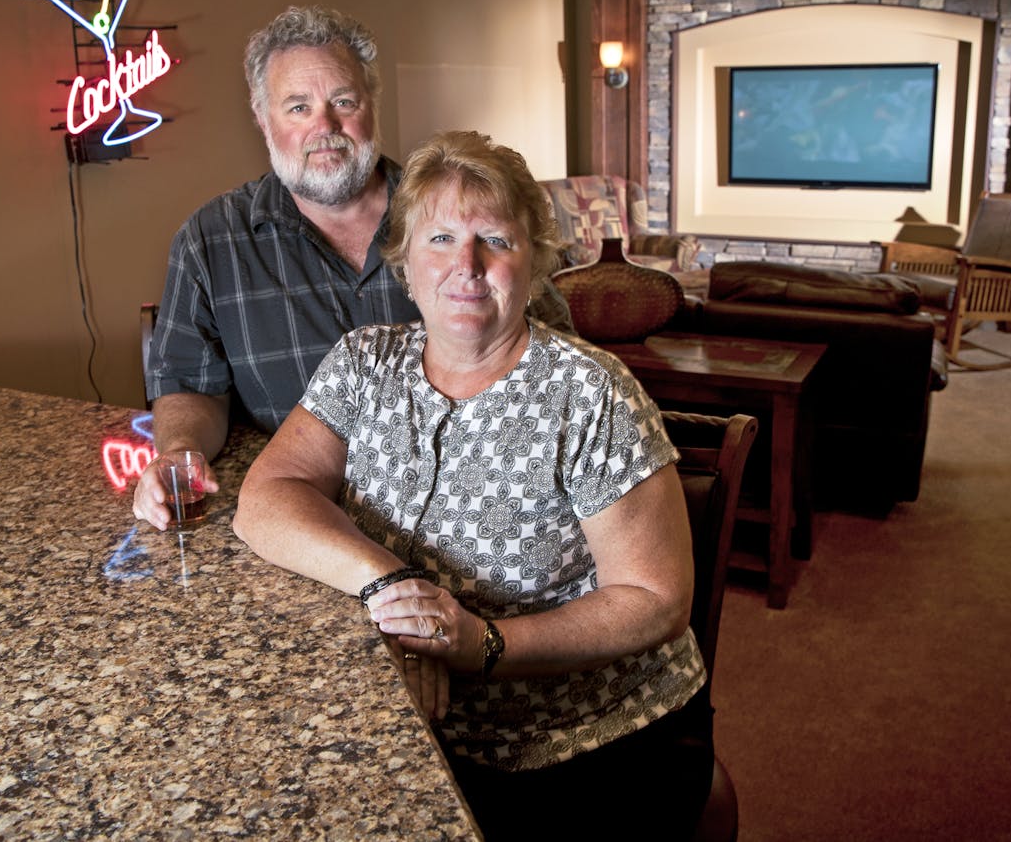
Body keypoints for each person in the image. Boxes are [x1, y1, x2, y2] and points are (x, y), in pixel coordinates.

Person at [233, 130, 713, 839]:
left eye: (496, 238)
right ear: (402, 261)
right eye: (440, 240)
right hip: (404, 718)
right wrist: (393, 587)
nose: (468, 264)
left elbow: (654, 601)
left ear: (536, 260)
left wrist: (483, 644)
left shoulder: (590, 392)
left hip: (584, 741)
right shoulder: (365, 362)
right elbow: (266, 496)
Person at [133, 6, 570, 530]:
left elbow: (558, 353)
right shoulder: (212, 240)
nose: (326, 127)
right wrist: (180, 454)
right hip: (300, 514)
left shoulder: (457, 217)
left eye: (343, 101)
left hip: (474, 513)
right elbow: (189, 383)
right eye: (298, 107)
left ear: (371, 105)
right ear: (261, 115)